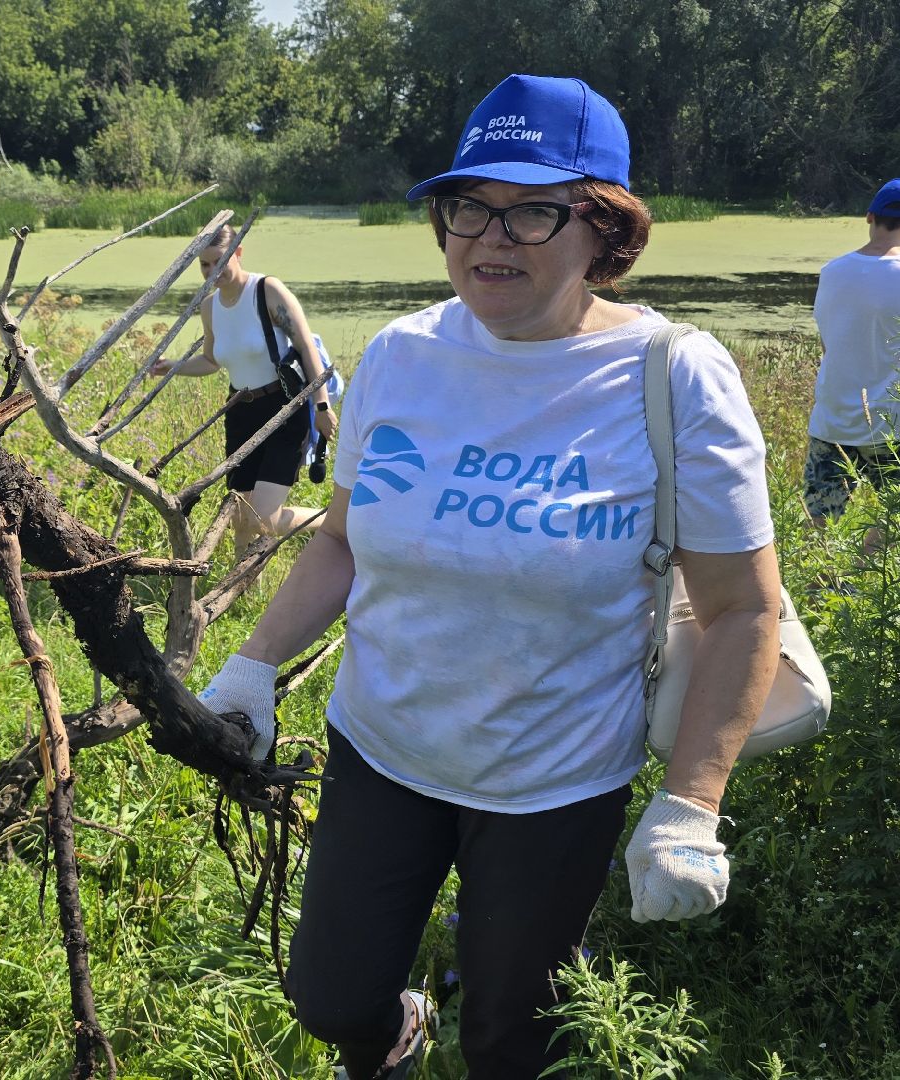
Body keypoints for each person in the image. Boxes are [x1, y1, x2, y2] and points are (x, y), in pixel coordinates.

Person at [198, 74, 781, 1078]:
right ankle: (392, 1035)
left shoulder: (674, 375)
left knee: (511, 1041)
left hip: (553, 781)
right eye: (465, 206)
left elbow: (740, 609)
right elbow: (342, 538)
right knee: (329, 996)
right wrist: (251, 666)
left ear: (601, 229)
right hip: (382, 744)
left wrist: (688, 802)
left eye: (530, 211)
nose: (488, 237)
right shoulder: (398, 354)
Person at [149, 223, 339, 553]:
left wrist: (322, 407)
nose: (213, 271)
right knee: (240, 519)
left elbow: (306, 347)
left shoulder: (267, 290)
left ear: (238, 252)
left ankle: (336, 522)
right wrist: (173, 367)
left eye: (220, 260)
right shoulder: (210, 307)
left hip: (284, 410)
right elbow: (211, 362)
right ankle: (246, 597)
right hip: (239, 413)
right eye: (205, 265)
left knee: (262, 520)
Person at [804, 177, 900, 557]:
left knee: (819, 525)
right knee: (892, 521)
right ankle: (862, 584)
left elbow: (829, 344)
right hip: (891, 429)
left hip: (832, 421)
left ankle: (817, 596)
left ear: (869, 217)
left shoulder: (832, 271)